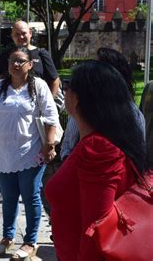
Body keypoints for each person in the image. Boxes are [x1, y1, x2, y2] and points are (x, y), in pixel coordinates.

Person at [45, 60, 148, 260]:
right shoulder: (108, 140)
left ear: (77, 98)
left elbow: (95, 230)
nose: (64, 91)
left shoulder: (98, 149)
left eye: (67, 85)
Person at [0, 46, 58, 259]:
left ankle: (31, 242)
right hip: (4, 152)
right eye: (13, 60)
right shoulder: (0, 86)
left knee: (31, 197)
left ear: (30, 65)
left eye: (21, 61)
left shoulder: (38, 85)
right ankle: (7, 237)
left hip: (31, 152)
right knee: (9, 197)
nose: (15, 64)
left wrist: (48, 145)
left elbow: (51, 115)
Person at [0, 20, 61, 202]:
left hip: (36, 112)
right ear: (12, 36)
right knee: (8, 150)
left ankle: (34, 189)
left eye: (24, 33)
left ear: (30, 34)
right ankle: (3, 187)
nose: (21, 37)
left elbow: (54, 80)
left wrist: (48, 102)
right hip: (12, 110)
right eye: (17, 34)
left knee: (37, 153)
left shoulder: (41, 54)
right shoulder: (6, 56)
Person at [60, 47, 145, 160]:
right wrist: (68, 161)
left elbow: (137, 154)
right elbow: (67, 143)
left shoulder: (132, 114)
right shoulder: (81, 108)